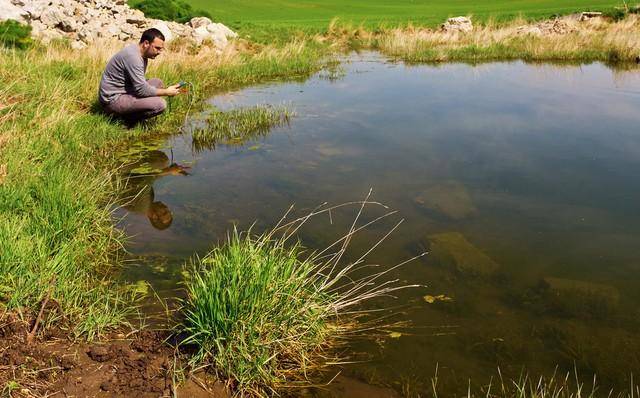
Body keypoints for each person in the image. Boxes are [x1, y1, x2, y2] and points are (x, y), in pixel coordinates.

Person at [98, 28, 182, 125]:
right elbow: (141, 90)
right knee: (160, 104)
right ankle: (125, 121)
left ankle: (129, 113)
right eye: (157, 48)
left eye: (161, 49)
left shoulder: (141, 54)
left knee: (157, 82)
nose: (159, 52)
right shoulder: (133, 57)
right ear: (146, 43)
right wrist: (167, 92)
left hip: (125, 90)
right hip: (112, 100)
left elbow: (139, 85)